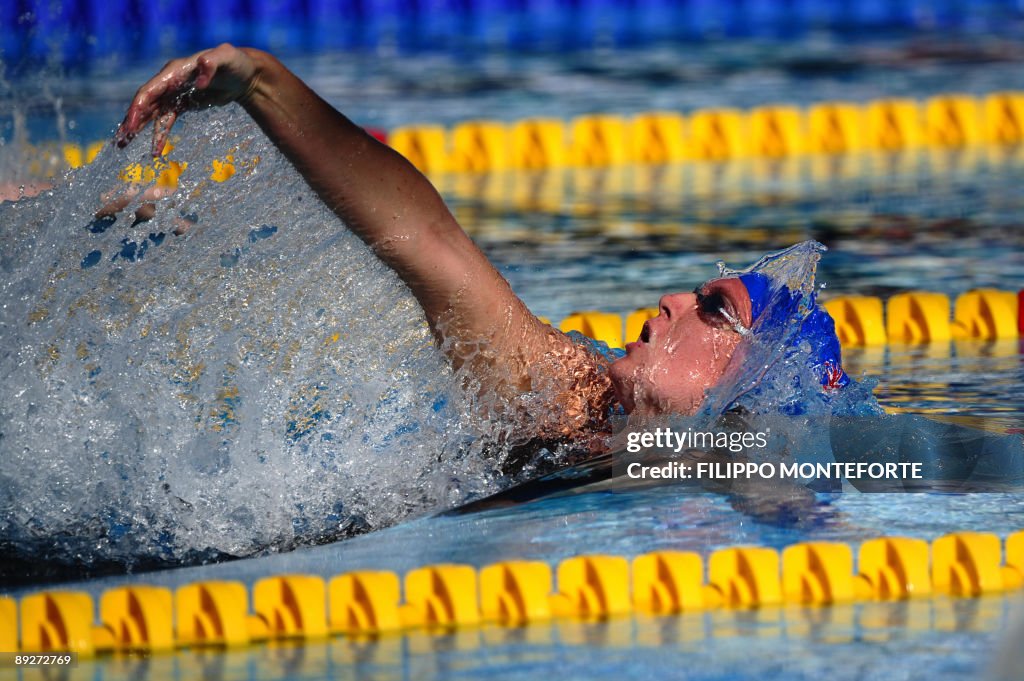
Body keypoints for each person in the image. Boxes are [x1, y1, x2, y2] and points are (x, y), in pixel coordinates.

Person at [113, 44, 846, 457]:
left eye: (716, 309)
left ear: (750, 377)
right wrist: (259, 81)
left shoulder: (732, 480)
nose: (672, 299)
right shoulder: (574, 399)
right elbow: (429, 245)